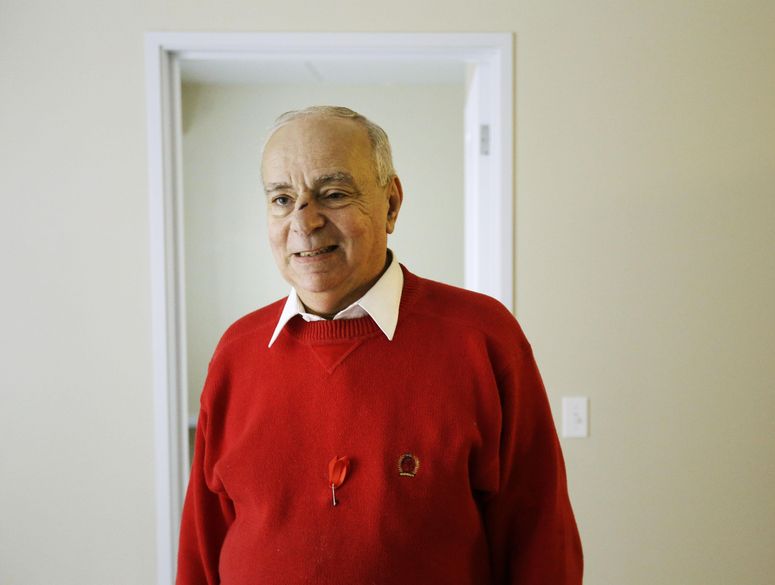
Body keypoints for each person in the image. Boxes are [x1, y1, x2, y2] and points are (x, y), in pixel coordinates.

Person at [176, 106, 583, 584]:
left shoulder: (482, 338)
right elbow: (201, 549)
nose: (305, 222)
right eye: (282, 199)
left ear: (391, 204)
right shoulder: (237, 352)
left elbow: (542, 544)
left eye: (333, 194)